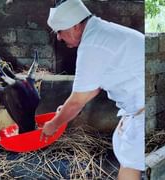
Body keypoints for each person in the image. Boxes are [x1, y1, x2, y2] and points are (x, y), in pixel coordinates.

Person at [40, 0, 145, 179]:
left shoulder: (92, 45)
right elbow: (91, 90)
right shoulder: (100, 31)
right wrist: (65, 112)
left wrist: (53, 124)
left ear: (74, 27)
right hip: (139, 104)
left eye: (60, 31)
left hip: (142, 109)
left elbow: (77, 101)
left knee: (130, 162)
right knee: (125, 148)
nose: (58, 37)